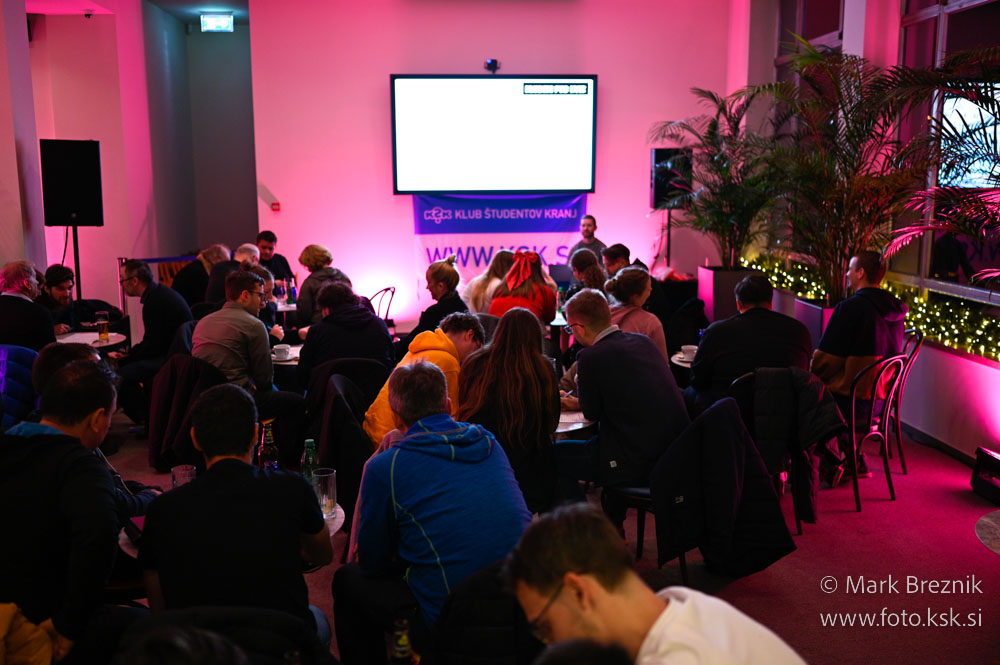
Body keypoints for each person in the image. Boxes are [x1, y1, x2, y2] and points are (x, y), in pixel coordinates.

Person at [334, 361, 530, 664]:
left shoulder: (386, 467)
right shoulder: (489, 442)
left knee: (348, 580)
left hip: (452, 625)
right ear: (449, 405)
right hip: (526, 611)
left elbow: (373, 564)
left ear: (396, 416)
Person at [139, 384, 333, 643]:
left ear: (195, 438)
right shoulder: (294, 488)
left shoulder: (162, 509)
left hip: (200, 647)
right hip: (279, 642)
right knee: (318, 619)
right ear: (255, 434)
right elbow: (324, 555)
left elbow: (158, 599)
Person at [502, 504, 807, 665]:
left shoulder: (681, 659)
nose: (551, 644)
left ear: (578, 591)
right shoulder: (682, 602)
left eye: (545, 627)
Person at [0, 360, 144, 663]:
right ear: (96, 419)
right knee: (153, 629)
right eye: (110, 416)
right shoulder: (80, 466)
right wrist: (68, 626)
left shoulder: (9, 442)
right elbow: (98, 538)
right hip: (42, 616)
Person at [558, 290, 688, 519]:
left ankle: (584, 529)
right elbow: (623, 400)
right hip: (675, 455)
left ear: (578, 328)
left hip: (637, 461)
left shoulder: (590, 357)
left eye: (569, 328)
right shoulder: (643, 342)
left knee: (552, 458)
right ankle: (613, 525)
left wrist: (578, 389)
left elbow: (591, 412)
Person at [811, 250, 908, 477]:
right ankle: (850, 458)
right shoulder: (895, 309)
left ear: (861, 273)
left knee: (805, 392)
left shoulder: (851, 308)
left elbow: (824, 364)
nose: (846, 274)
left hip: (852, 402)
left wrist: (810, 371)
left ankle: (830, 461)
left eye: (850, 269)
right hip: (882, 402)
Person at [457, 307, 561, 513]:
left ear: (499, 331)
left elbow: (464, 410)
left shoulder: (474, 363)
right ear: (535, 337)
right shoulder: (542, 368)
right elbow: (552, 423)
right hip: (531, 467)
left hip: (484, 459)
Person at [685, 274, 812, 416]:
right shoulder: (799, 331)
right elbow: (804, 377)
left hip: (730, 419)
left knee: (690, 393)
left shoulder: (716, 332)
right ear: (771, 302)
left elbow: (697, 380)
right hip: (784, 417)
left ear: (738, 304)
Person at [363, 311, 485, 446]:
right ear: (469, 335)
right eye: (477, 348)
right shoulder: (448, 362)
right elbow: (451, 420)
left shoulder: (420, 349)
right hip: (395, 442)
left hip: (374, 431)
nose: (473, 357)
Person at [114, 259, 193, 425]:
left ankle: (147, 420)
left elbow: (153, 345)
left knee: (120, 376)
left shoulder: (155, 302)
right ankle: (150, 419)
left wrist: (128, 357)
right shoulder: (160, 294)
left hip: (171, 358)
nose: (121, 284)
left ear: (135, 280)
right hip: (177, 353)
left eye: (122, 279)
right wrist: (131, 354)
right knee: (126, 368)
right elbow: (154, 341)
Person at [297, 281, 394, 385]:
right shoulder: (379, 324)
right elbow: (391, 361)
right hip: (376, 391)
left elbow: (303, 376)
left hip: (331, 393)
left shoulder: (317, 332)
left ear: (326, 310)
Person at [192, 270, 272, 391]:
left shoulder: (201, 323)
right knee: (294, 399)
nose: (263, 304)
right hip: (238, 396)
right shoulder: (254, 325)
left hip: (203, 396)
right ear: (245, 295)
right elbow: (264, 381)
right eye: (260, 296)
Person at [401, 254, 469, 349]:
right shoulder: (464, 309)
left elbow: (411, 344)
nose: (427, 287)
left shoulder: (434, 314)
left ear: (441, 286)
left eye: (429, 282)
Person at [606, 266, 668, 360]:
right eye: (648, 288)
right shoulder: (651, 323)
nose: (651, 289)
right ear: (635, 296)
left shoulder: (603, 315)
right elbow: (662, 363)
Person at [0, 259, 56, 351]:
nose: (37, 282)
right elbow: (51, 354)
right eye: (35, 278)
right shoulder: (40, 314)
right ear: (27, 284)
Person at [489, 250, 557, 323]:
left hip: (497, 329)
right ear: (539, 269)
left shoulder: (501, 288)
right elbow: (549, 318)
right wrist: (553, 292)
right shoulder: (544, 291)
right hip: (528, 330)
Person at [296, 244, 352, 328]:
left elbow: (304, 313)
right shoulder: (343, 276)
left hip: (319, 327)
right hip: (346, 324)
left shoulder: (309, 283)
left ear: (308, 263)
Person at [461, 249, 514, 313]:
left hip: (473, 318)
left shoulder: (475, 280)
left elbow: (462, 302)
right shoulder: (499, 285)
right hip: (491, 319)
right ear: (509, 267)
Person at [35, 264, 76, 334]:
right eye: (61, 289)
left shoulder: (66, 300)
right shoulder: (37, 307)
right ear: (47, 289)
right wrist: (50, 330)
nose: (67, 294)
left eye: (69, 288)